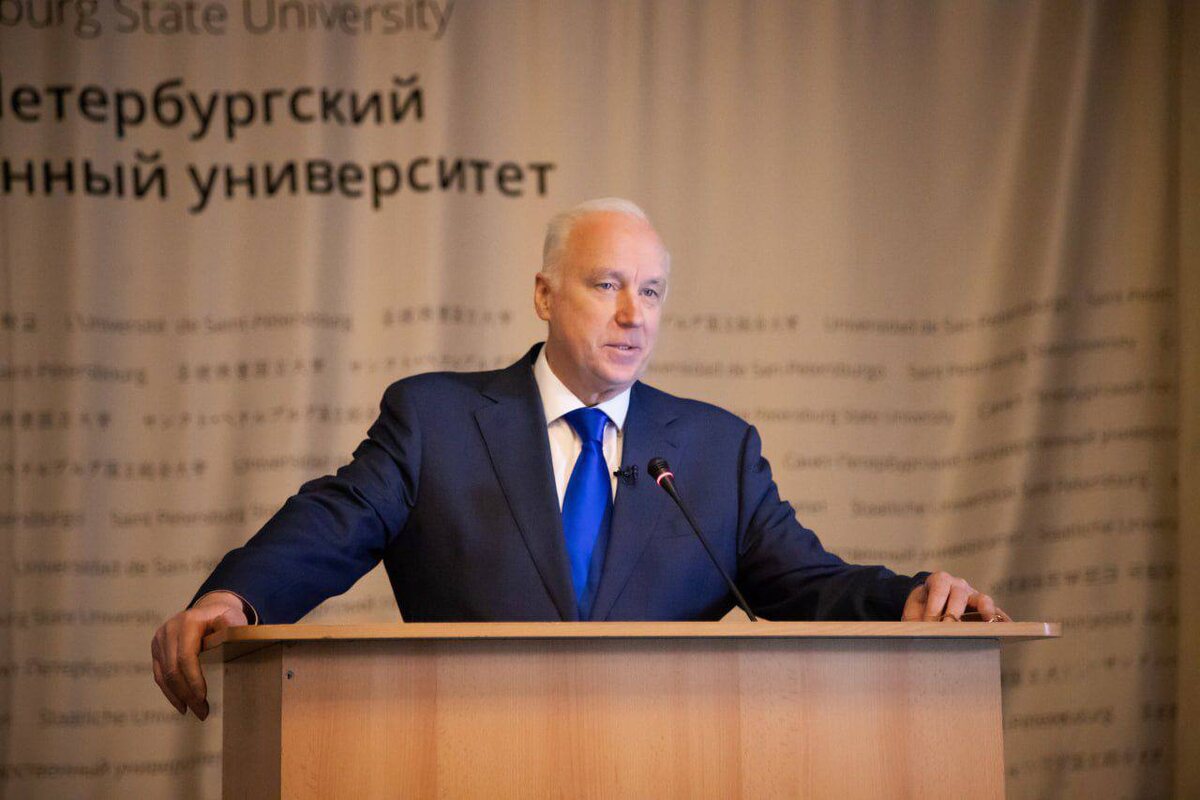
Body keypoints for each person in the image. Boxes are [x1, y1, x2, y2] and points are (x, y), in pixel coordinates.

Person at [151, 198, 1003, 720]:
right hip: (463, 756)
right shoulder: (438, 419)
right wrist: (237, 596)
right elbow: (336, 521)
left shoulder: (717, 449)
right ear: (544, 294)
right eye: (606, 285)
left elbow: (805, 584)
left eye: (652, 291)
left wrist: (907, 598)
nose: (634, 314)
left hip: (667, 762)